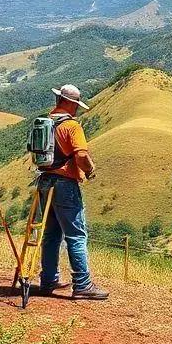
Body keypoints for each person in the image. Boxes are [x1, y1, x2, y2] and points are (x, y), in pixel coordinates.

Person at [33, 84, 108, 300]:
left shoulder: (46, 122)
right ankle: (82, 284)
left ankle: (48, 280)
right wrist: (90, 170)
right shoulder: (71, 126)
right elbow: (81, 155)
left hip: (45, 181)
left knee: (51, 235)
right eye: (75, 105)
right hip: (65, 183)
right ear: (70, 103)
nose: (76, 110)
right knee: (76, 235)